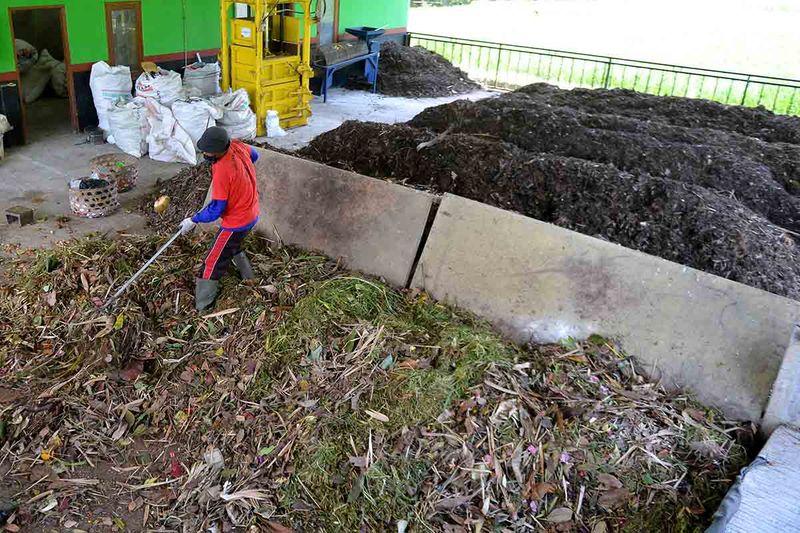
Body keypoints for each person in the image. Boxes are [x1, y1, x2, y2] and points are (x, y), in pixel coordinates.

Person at [179, 127, 260, 311]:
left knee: (212, 261)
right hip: (252, 211)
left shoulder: (223, 169)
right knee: (233, 246)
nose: (205, 154)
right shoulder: (238, 146)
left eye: (207, 151)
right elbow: (255, 156)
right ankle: (250, 278)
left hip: (237, 221)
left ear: (217, 151)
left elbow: (216, 209)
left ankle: (203, 306)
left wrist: (193, 220)